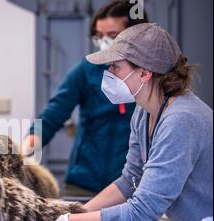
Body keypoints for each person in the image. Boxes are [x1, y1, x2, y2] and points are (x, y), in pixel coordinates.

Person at [46, 23, 213, 221]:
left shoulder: (181, 120)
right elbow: (130, 180)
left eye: (115, 66)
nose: (108, 73)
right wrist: (77, 212)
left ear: (144, 73)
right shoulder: (144, 112)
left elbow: (141, 212)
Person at [22, 1, 148, 198]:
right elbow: (54, 112)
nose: (105, 42)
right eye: (99, 36)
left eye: (113, 36)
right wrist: (27, 146)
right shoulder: (87, 69)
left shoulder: (150, 75)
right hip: (84, 183)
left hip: (134, 184)